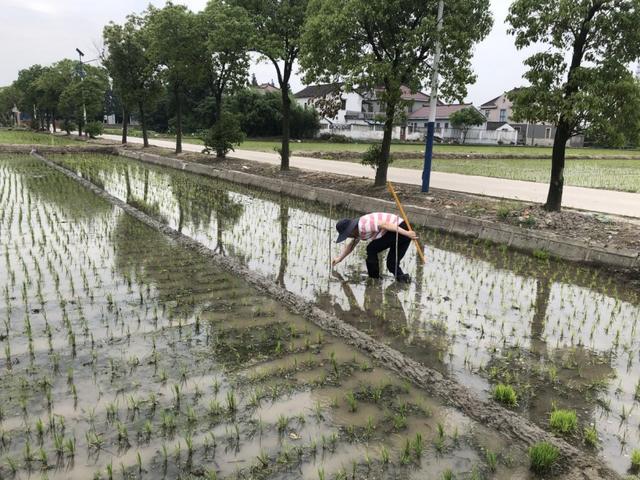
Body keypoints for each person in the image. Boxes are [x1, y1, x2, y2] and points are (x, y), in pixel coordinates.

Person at [331, 212, 417, 283]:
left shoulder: (363, 225)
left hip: (399, 228)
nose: (348, 236)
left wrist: (407, 233)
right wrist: (340, 258)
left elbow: (385, 224)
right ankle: (404, 281)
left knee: (371, 249)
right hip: (401, 230)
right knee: (392, 264)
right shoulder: (357, 231)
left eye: (347, 234)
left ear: (351, 230)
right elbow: (351, 245)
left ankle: (374, 279)